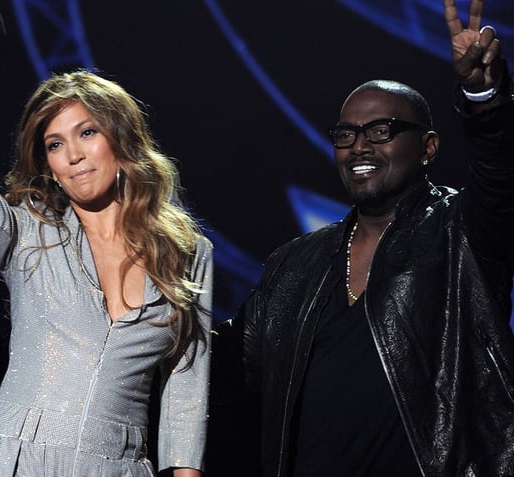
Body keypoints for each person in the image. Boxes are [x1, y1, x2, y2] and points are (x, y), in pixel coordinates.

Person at [0, 1, 213, 475]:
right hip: (16, 460)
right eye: (55, 144)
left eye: (87, 132)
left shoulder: (186, 252)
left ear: (120, 139)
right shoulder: (28, 235)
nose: (73, 154)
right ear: (48, 167)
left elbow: (187, 379)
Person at [219, 0, 514, 474]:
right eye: (346, 134)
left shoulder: (461, 231)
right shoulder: (296, 263)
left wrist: (484, 98)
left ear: (428, 148)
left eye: (381, 131)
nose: (359, 145)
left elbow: (500, 175)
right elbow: (230, 363)